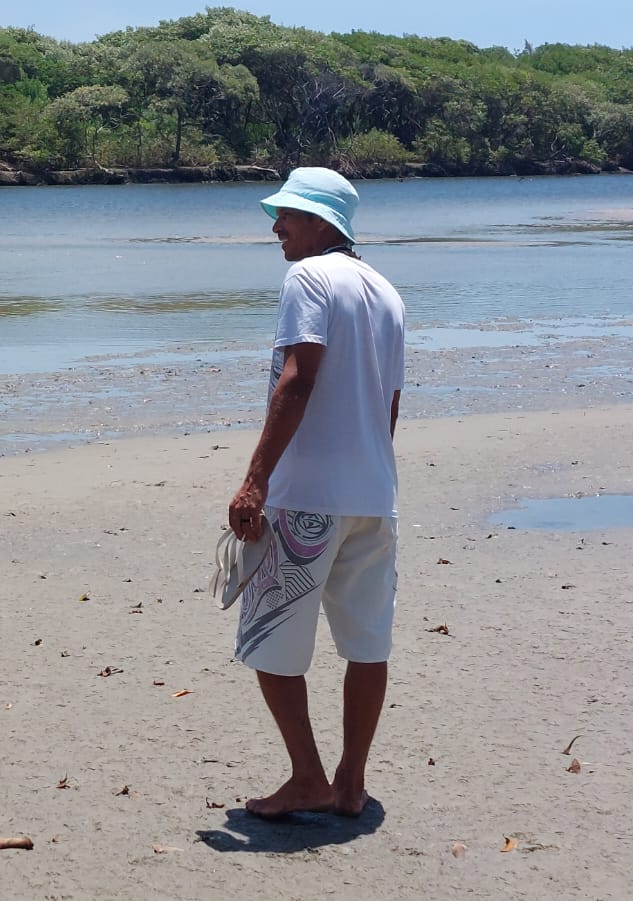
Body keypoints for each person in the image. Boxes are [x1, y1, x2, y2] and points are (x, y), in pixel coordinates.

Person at [227, 167, 405, 819]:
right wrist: (370, 471)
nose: (276, 226)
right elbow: (388, 405)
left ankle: (308, 778)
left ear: (321, 222)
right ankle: (350, 783)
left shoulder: (308, 278)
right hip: (373, 496)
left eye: (287, 215)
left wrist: (255, 480)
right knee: (368, 645)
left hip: (307, 498)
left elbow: (298, 377)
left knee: (268, 639)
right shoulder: (387, 292)